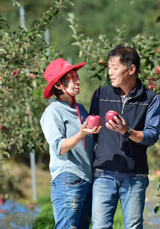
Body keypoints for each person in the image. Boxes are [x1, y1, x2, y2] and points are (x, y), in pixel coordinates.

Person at [89, 44, 160, 229]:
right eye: (109, 68)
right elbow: (92, 135)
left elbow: (152, 136)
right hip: (103, 173)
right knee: (99, 226)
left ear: (131, 69)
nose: (110, 73)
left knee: (132, 226)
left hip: (134, 175)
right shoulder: (101, 94)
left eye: (114, 68)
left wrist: (127, 131)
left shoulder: (150, 99)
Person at [40, 58, 102, 229]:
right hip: (68, 178)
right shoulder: (52, 112)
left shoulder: (80, 109)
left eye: (77, 75)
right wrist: (80, 134)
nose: (78, 80)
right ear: (59, 85)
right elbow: (59, 147)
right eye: (72, 77)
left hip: (86, 179)